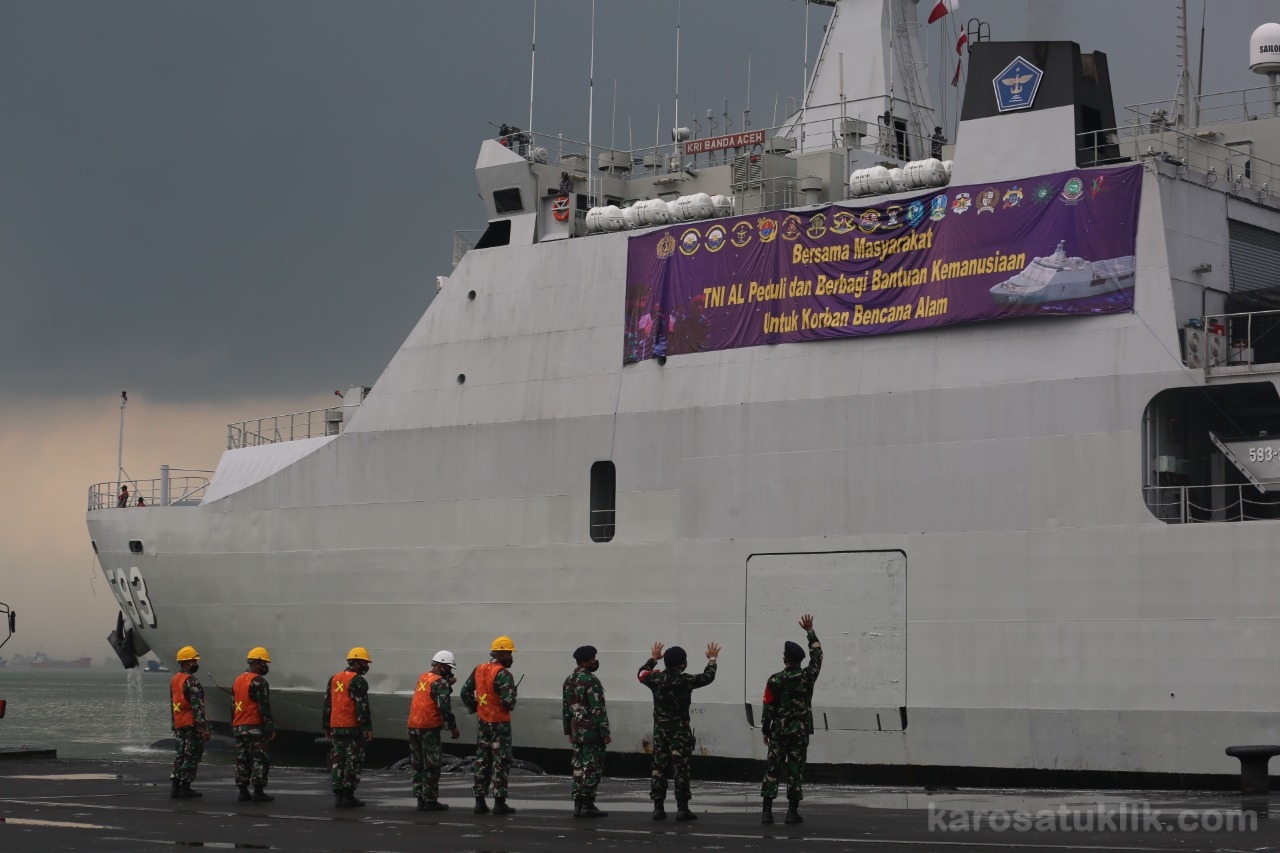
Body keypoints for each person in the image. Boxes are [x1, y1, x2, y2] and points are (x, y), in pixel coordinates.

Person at [636, 640, 720, 820]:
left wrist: (653, 659)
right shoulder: (685, 680)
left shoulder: (655, 679)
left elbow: (641, 673)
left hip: (660, 731)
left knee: (659, 768)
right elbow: (708, 677)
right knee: (681, 768)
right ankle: (682, 808)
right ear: (683, 663)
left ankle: (658, 808)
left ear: (665, 662)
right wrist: (712, 659)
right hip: (679, 732)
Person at [759, 614, 822, 825]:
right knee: (795, 770)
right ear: (800, 660)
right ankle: (791, 812)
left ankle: (766, 812)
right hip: (800, 732)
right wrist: (810, 631)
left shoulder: (774, 679)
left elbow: (768, 706)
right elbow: (818, 655)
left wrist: (765, 730)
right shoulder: (807, 676)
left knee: (772, 769)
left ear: (785, 659)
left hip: (779, 731)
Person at [461, 635, 518, 815]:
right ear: (501, 654)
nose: (511, 657)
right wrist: (512, 696)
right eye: (509, 653)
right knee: (501, 761)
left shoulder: (479, 669)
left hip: (483, 724)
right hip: (500, 725)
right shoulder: (503, 674)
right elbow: (508, 702)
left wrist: (476, 708)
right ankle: (499, 803)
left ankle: (480, 802)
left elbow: (465, 691)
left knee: (482, 760)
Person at [408, 650, 461, 811]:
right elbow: (444, 707)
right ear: (440, 665)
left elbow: (431, 694)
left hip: (413, 726)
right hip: (429, 728)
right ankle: (430, 800)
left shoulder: (423, 677)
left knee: (417, 764)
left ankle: (420, 798)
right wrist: (452, 727)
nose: (450, 671)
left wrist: (447, 685)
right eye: (448, 667)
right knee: (432, 764)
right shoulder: (441, 683)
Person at [562, 645, 610, 818]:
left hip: (576, 730)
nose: (595, 661)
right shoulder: (591, 680)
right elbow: (597, 708)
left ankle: (577, 804)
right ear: (584, 661)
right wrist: (605, 732)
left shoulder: (569, 680)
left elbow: (566, 709)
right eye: (592, 659)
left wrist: (568, 731)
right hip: (591, 731)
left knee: (578, 767)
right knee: (592, 766)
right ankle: (588, 804)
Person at [323, 647, 374, 808]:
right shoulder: (358, 680)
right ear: (357, 662)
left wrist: (326, 726)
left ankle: (338, 795)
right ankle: (348, 795)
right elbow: (362, 707)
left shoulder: (334, 678)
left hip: (336, 726)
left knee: (338, 760)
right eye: (365, 662)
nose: (367, 665)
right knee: (353, 761)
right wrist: (367, 728)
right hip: (352, 727)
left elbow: (327, 704)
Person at [233, 646, 275, 803]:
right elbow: (264, 707)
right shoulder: (259, 681)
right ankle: (258, 791)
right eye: (264, 663)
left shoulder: (238, 680)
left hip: (239, 726)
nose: (266, 666)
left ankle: (242, 791)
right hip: (254, 727)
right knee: (259, 758)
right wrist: (269, 728)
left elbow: (233, 704)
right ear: (257, 663)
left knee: (242, 759)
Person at [169, 645, 212, 798]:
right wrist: (203, 728)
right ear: (187, 663)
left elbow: (172, 703)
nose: (196, 663)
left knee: (180, 754)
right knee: (192, 754)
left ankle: (175, 786)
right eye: (194, 661)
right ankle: (185, 787)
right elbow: (197, 707)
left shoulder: (175, 680)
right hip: (191, 723)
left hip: (180, 723)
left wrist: (174, 723)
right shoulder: (191, 682)